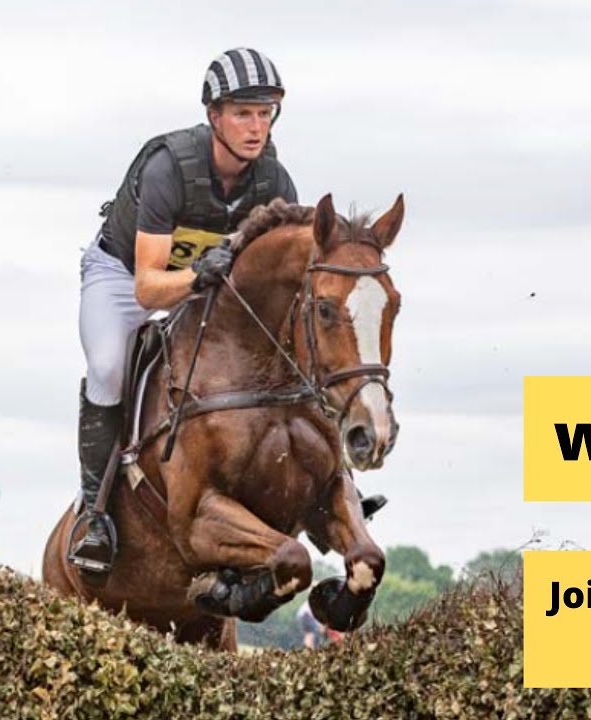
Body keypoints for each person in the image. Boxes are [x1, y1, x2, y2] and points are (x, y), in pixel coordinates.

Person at [70, 48, 386, 575]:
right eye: (243, 114)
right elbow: (149, 288)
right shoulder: (169, 169)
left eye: (265, 113)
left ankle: (336, 487)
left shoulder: (274, 182)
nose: (256, 127)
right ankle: (96, 514)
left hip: (211, 282)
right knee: (106, 367)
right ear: (214, 115)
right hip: (126, 278)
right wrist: (199, 275)